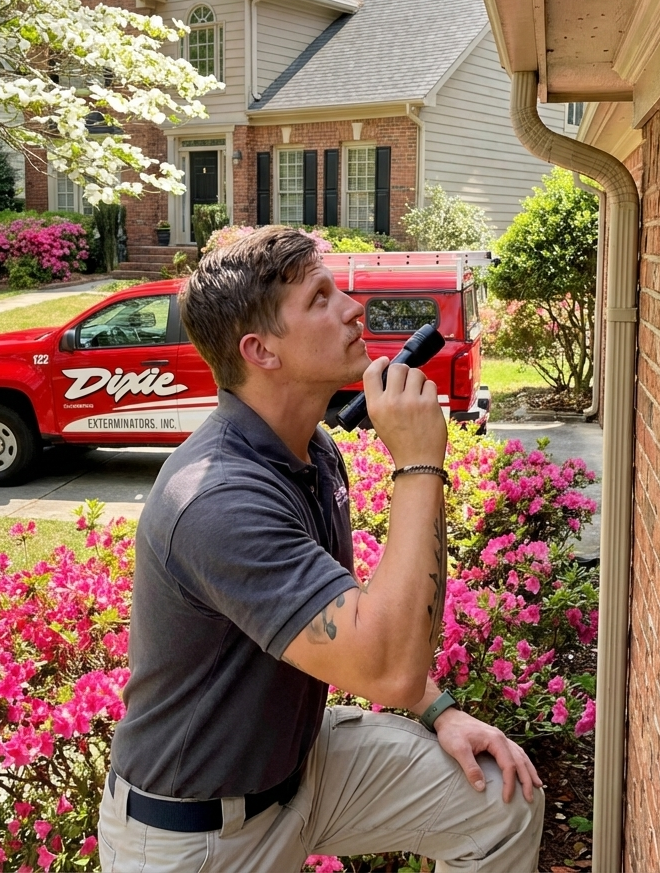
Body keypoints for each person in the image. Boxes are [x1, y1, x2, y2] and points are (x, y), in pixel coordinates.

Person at [98, 226, 544, 873]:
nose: (353, 308)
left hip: (302, 766)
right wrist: (420, 463)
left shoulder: (312, 451)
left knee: (502, 802)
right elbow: (388, 667)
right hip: (198, 835)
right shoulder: (217, 499)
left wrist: (441, 711)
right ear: (261, 351)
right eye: (320, 298)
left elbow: (366, 638)